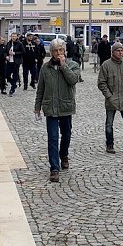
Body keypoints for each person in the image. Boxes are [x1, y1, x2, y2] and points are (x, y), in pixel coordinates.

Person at [34, 38, 80, 182]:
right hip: (50, 107)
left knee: (66, 134)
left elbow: (73, 80)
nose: (58, 53)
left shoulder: (72, 65)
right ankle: (54, 168)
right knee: (53, 138)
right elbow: (40, 88)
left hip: (66, 106)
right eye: (55, 50)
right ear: (51, 52)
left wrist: (63, 66)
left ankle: (64, 154)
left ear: (64, 51)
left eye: (60, 50)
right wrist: (37, 107)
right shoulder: (45, 68)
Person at [97, 42, 123, 155]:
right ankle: (109, 144)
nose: (120, 52)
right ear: (112, 52)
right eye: (118, 51)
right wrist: (109, 96)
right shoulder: (106, 65)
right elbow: (101, 83)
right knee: (109, 124)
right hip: (111, 100)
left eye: (121, 50)